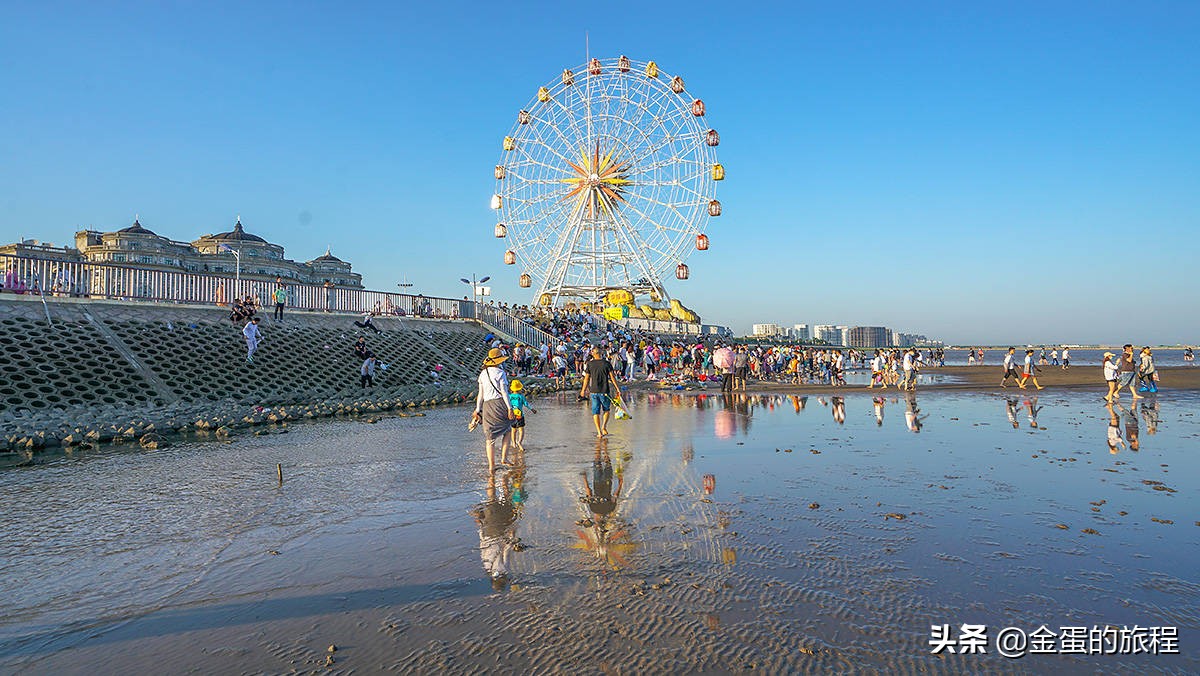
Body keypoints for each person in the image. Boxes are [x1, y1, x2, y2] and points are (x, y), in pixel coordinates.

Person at [472, 348, 516, 474]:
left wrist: (477, 410)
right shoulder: (500, 373)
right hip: (500, 404)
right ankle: (504, 458)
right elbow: (504, 392)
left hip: (487, 406)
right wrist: (510, 408)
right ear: (498, 361)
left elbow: (480, 394)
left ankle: (491, 466)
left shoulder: (482, 374)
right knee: (507, 431)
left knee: (490, 438)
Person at [580, 346, 622, 438]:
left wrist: (583, 390)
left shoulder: (590, 364)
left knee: (596, 412)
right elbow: (612, 377)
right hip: (605, 391)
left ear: (593, 353)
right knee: (606, 410)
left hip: (594, 391)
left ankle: (599, 432)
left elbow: (586, 378)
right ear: (601, 353)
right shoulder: (606, 363)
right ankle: (604, 427)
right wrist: (617, 388)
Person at [508, 379, 537, 448]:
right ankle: (519, 442)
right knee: (521, 430)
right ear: (519, 388)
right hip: (520, 416)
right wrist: (532, 409)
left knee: (513, 430)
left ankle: (514, 443)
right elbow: (526, 404)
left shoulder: (509, 396)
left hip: (512, 416)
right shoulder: (521, 396)